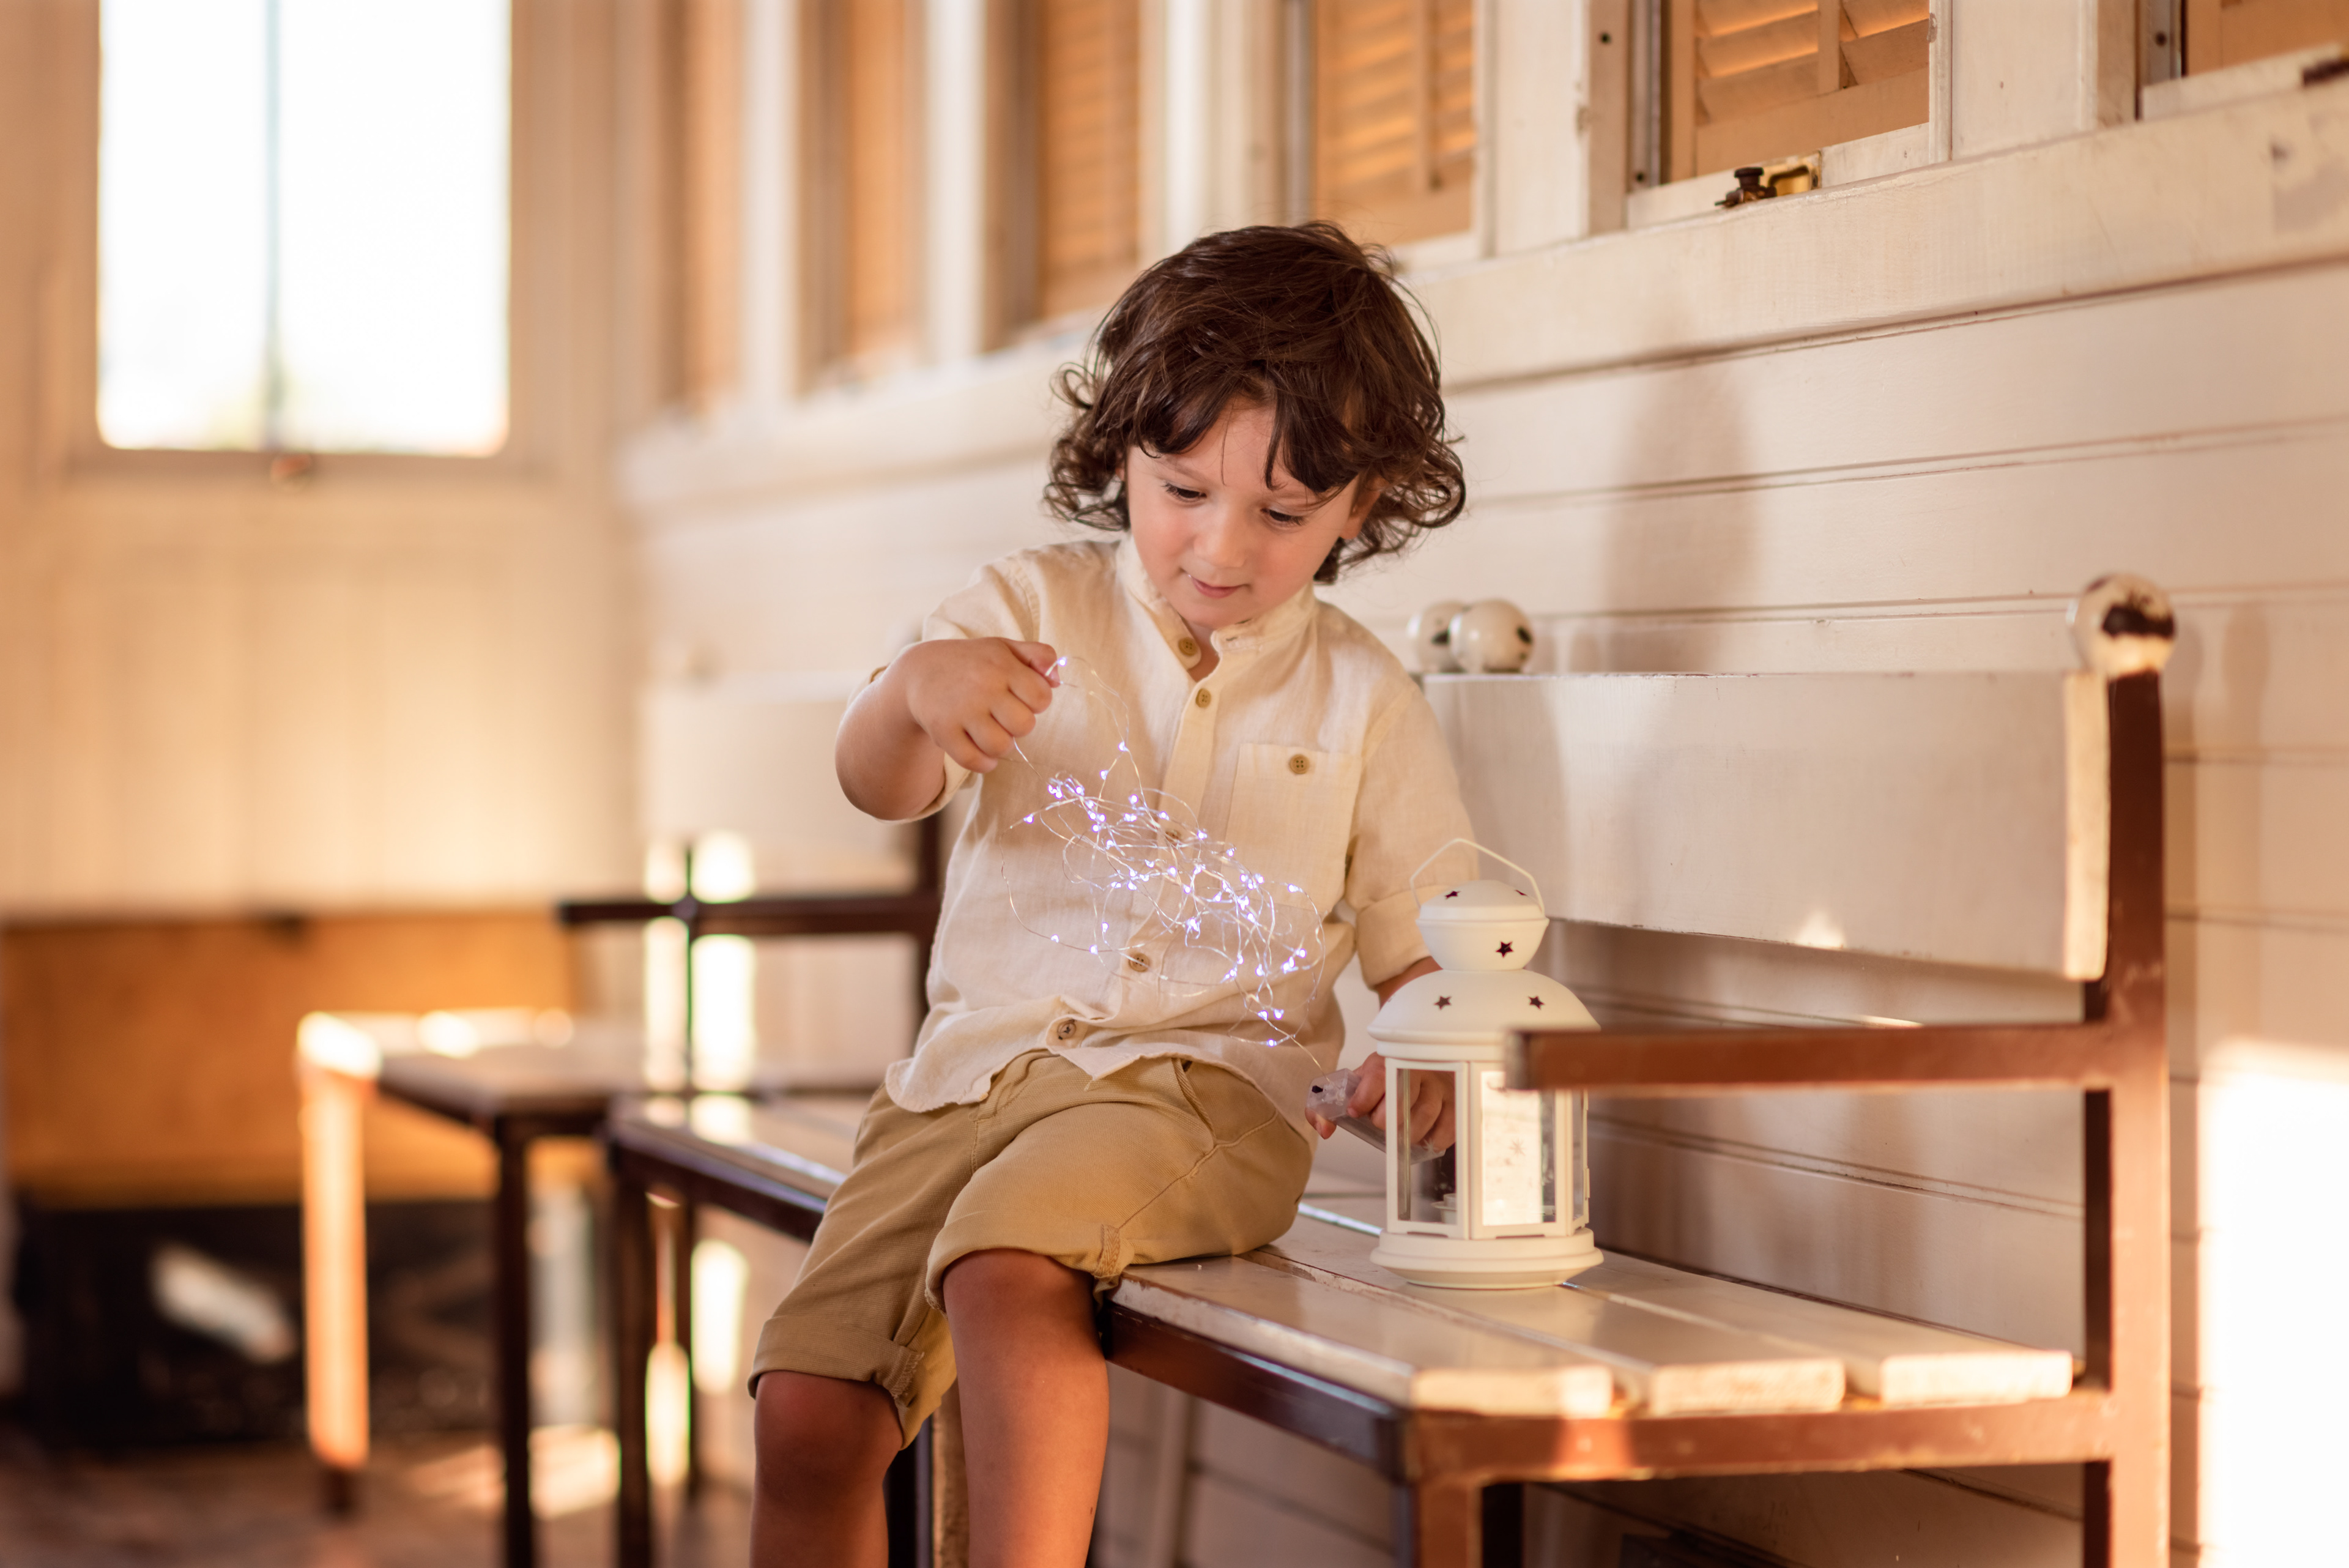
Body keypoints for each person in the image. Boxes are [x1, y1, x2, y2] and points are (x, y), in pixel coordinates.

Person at [748, 221, 1480, 1568]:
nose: (1221, 546)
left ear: (1361, 504)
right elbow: (878, 783)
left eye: (1281, 514)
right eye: (1182, 488)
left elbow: (1435, 940)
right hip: (964, 1083)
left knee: (1004, 1269)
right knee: (807, 1412)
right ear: (1124, 453)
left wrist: (1434, 1035)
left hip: (1199, 1094)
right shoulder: (1024, 610)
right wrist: (911, 696)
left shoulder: (1364, 700)